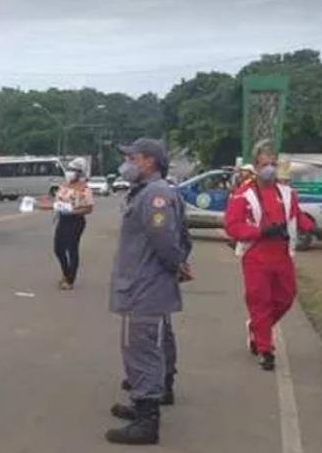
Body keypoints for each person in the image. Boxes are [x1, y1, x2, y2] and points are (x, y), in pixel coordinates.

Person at [107, 139, 192, 445]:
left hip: (145, 286)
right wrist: (179, 263)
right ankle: (154, 395)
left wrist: (176, 263)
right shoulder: (151, 192)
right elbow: (180, 236)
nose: (127, 163)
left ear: (150, 162)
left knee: (141, 348)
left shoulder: (155, 194)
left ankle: (147, 420)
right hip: (147, 283)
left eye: (133, 157)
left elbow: (166, 241)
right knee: (156, 341)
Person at [224, 141, 313, 371]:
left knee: (286, 297)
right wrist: (260, 231)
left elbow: (296, 215)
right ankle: (265, 349)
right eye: (265, 164)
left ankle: (257, 327)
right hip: (256, 254)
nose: (270, 168)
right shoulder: (243, 194)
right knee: (260, 301)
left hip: (282, 254)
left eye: (274, 164)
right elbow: (232, 227)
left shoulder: (286, 193)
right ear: (256, 165)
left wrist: (307, 224)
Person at [53, 157, 95, 290]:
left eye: (73, 170)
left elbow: (89, 208)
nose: (70, 172)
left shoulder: (84, 189)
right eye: (69, 169)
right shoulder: (64, 186)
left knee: (72, 249)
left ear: (80, 173)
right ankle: (66, 273)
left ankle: (70, 280)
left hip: (75, 221)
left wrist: (72, 210)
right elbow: (57, 202)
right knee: (58, 248)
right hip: (62, 219)